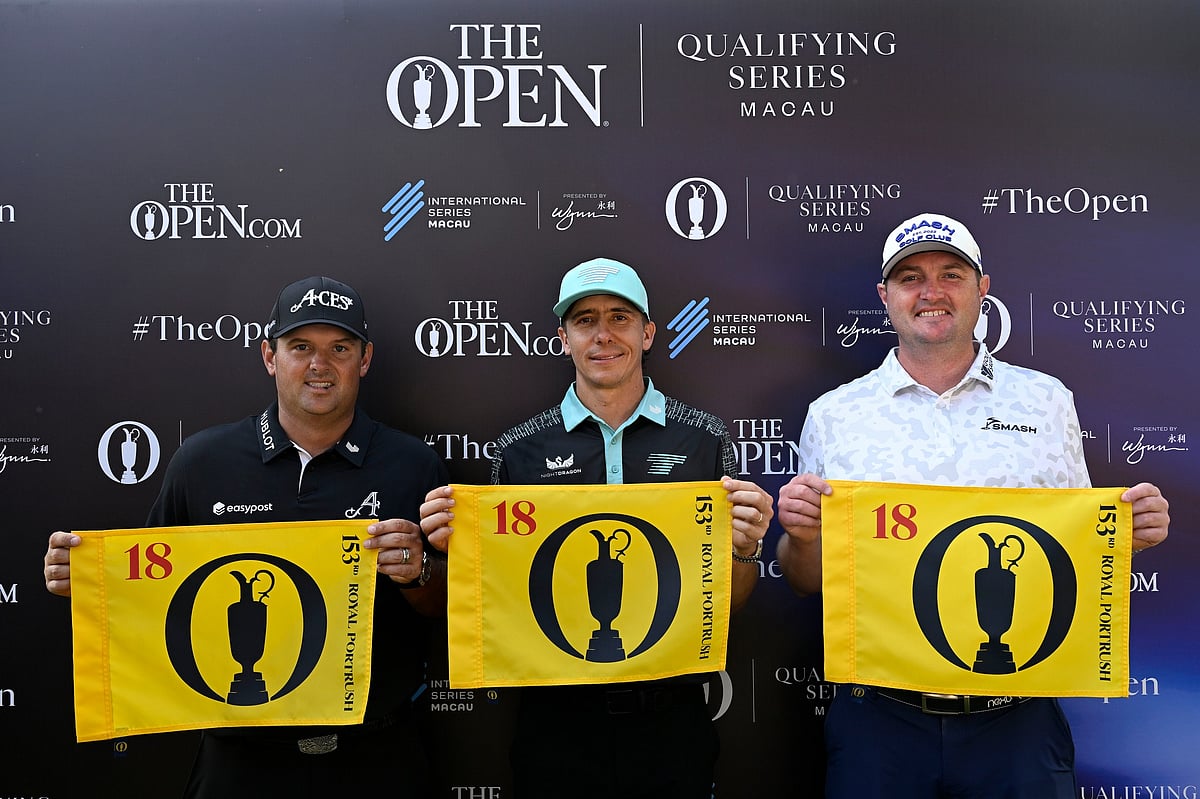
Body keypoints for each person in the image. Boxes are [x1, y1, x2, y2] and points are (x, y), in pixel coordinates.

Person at [776, 213, 1171, 799]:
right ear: (886, 297)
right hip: (880, 718)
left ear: (982, 288)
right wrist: (802, 537)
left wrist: (1127, 536)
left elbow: (1078, 554)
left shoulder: (1045, 400)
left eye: (951, 274)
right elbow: (808, 579)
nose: (931, 292)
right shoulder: (835, 414)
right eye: (910, 278)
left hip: (1018, 716)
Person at [44, 276, 448, 798]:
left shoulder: (412, 463)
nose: (319, 365)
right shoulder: (203, 461)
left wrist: (419, 572)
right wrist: (88, 582)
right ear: (269, 356)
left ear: (364, 360)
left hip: (376, 757)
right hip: (241, 759)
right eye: (300, 347)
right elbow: (150, 595)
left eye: (339, 349)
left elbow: (446, 610)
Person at [420, 257, 774, 799]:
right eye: (585, 320)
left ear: (648, 332)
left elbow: (726, 602)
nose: (603, 334)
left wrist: (746, 550)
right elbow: (500, 600)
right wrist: (453, 556)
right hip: (555, 721)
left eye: (620, 317)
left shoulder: (703, 440)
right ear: (563, 338)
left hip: (671, 716)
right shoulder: (520, 450)